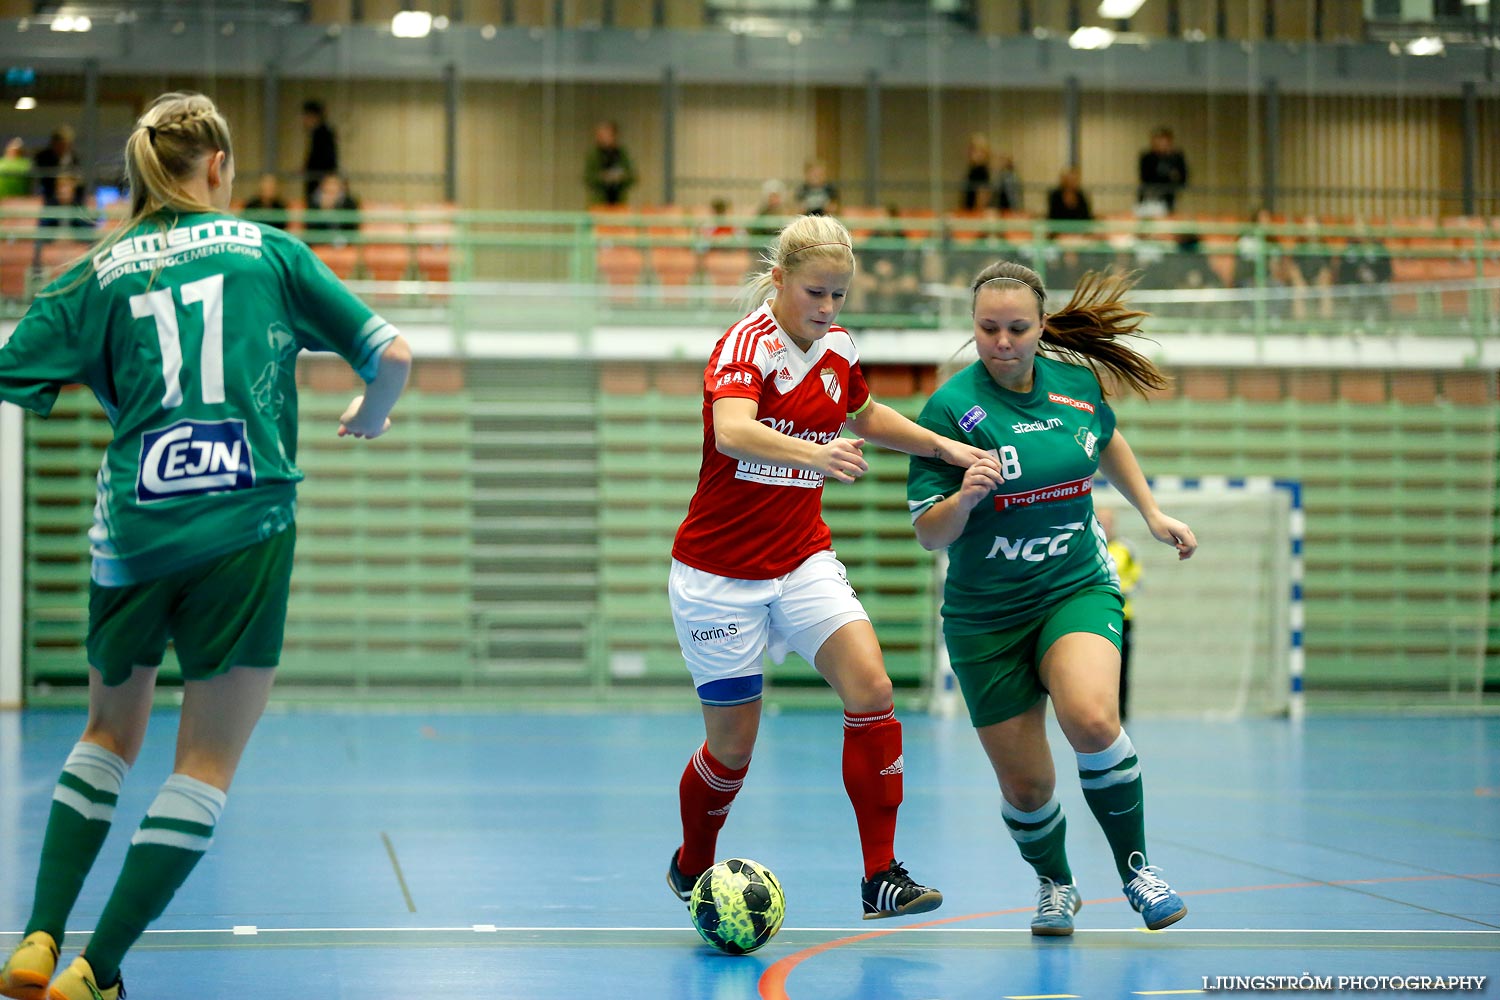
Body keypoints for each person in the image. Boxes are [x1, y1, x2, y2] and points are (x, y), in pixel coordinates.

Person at [0, 91, 411, 1000]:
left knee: (107, 734)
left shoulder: (90, 273)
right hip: (245, 526)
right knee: (205, 763)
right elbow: (394, 356)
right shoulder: (268, 250)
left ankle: (34, 937)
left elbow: (12, 369)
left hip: (133, 529)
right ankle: (93, 971)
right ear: (218, 165)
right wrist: (369, 416)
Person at [665, 213, 989, 921]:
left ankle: (882, 877)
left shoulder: (837, 347)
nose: (827, 308)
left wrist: (945, 449)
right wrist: (816, 453)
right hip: (718, 576)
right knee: (732, 753)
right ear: (779, 280)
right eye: (815, 292)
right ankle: (693, 863)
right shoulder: (745, 345)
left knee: (872, 687)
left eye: (839, 296)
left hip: (801, 558)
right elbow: (732, 430)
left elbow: (865, 415)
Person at [905, 260, 1196, 939]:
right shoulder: (950, 409)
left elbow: (1107, 436)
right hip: (986, 619)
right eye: (987, 329)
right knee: (1028, 789)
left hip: (1074, 586)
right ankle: (1055, 884)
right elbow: (928, 533)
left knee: (1093, 720)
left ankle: (1137, 872)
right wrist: (965, 497)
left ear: (1041, 327)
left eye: (1016, 328)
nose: (1002, 342)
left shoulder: (1075, 387)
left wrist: (1150, 512)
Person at [1094, 507, 1141, 721]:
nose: (1105, 525)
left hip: (1123, 616)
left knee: (1122, 668)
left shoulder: (1125, 549)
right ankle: (1098, 711)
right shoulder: (1088, 546)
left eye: (1108, 521)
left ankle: (1121, 713)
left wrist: (1116, 591)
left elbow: (1137, 581)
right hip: (1094, 617)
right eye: (1101, 521)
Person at [584, 120, 636, 206]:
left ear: (614, 136)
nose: (603, 138)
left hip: (619, 201)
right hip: (599, 202)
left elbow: (632, 176)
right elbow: (587, 177)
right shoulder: (593, 155)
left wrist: (620, 177)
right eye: (600, 135)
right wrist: (603, 177)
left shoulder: (622, 154)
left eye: (606, 135)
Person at [1137, 126, 1188, 214]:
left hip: (1168, 198)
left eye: (1163, 140)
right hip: (1148, 197)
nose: (1160, 143)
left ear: (1169, 142)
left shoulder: (1176, 157)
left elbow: (1182, 177)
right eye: (1157, 140)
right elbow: (1145, 176)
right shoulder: (1147, 157)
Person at [302, 99, 339, 205]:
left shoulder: (323, 134)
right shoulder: (316, 133)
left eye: (306, 116)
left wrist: (326, 181)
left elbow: (328, 160)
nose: (304, 120)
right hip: (317, 179)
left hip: (320, 180)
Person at [32, 125, 79, 207]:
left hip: (68, 201)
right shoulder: (43, 157)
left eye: (67, 143)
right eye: (61, 142)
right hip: (47, 197)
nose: (64, 146)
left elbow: (77, 175)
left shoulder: (73, 157)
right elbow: (40, 179)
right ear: (54, 142)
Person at [961, 133, 992, 211]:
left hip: (975, 215)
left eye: (974, 149)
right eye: (970, 149)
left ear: (983, 152)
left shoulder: (981, 171)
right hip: (969, 214)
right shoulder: (973, 170)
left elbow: (983, 197)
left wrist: (976, 214)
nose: (970, 153)